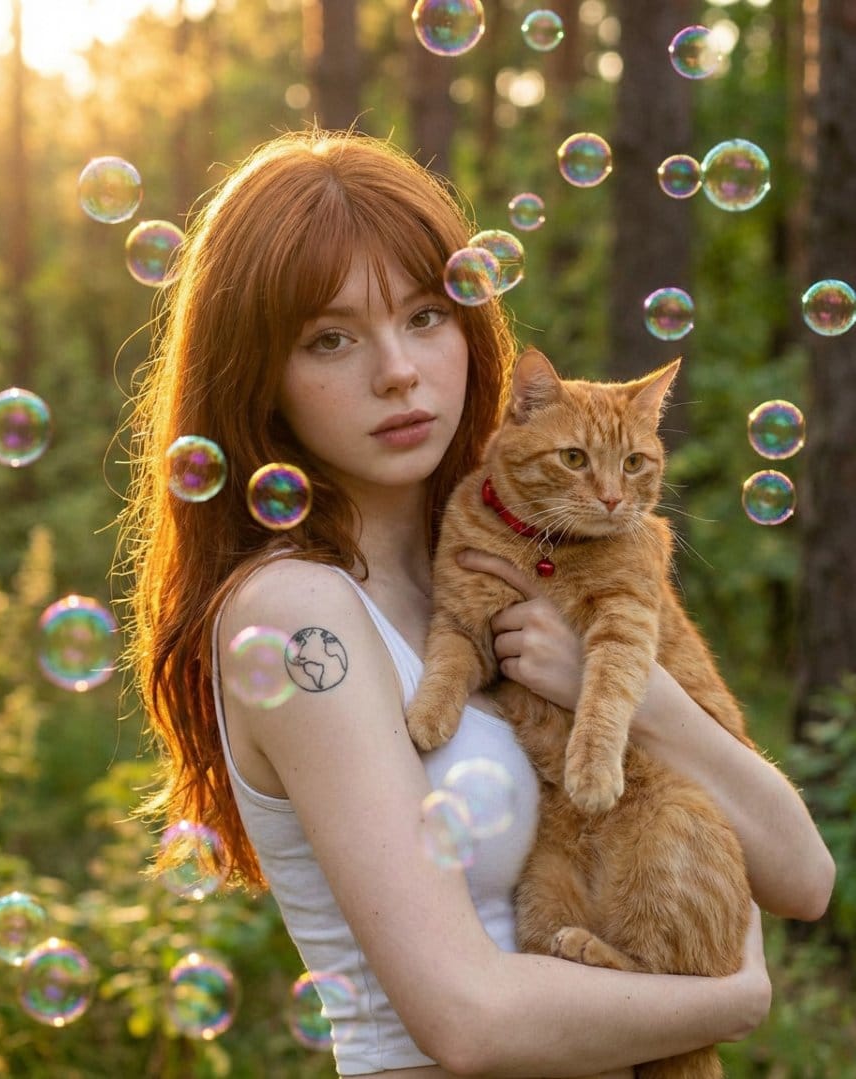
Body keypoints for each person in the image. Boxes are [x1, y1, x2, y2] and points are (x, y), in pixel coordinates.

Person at [120, 128, 835, 1078]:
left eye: (424, 316)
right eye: (330, 338)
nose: (398, 371)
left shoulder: (513, 559)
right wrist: (731, 1000)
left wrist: (622, 693)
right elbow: (467, 1017)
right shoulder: (298, 611)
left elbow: (803, 876)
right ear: (260, 377)